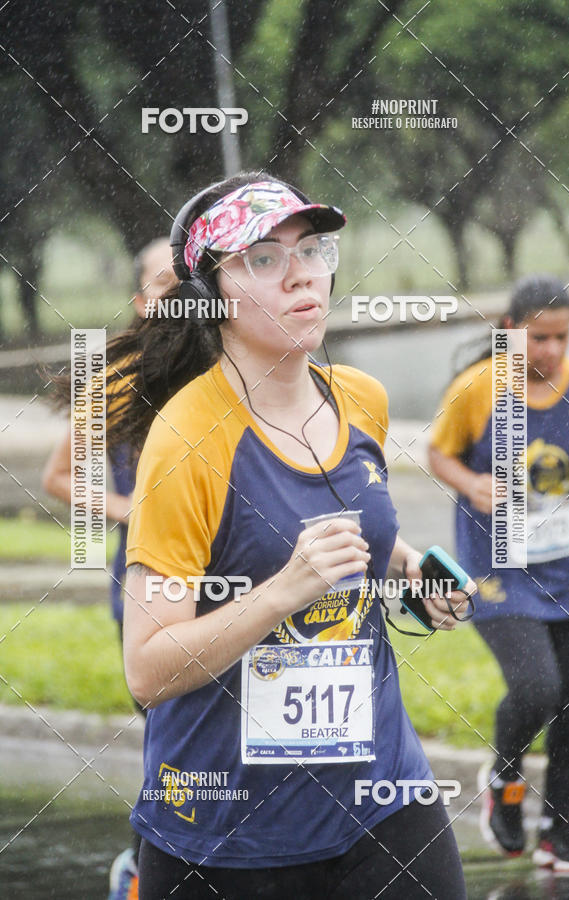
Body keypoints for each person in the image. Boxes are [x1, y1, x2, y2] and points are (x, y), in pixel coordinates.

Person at [111, 173, 476, 899]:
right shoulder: (188, 439)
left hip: (381, 794)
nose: (302, 273)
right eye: (264, 259)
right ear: (214, 293)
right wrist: (284, 592)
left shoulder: (360, 400)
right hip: (228, 825)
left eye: (311, 249)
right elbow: (148, 670)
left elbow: (364, 545)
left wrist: (414, 575)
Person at [428, 275, 569, 873]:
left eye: (560, 337)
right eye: (537, 337)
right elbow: (437, 453)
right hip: (499, 569)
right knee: (536, 688)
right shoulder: (478, 388)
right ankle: (504, 783)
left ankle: (559, 830)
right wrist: (471, 482)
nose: (550, 350)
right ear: (509, 332)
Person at [43, 236, 175, 900]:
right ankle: (142, 872)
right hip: (149, 587)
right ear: (140, 299)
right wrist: (132, 510)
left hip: (232, 592)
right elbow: (61, 476)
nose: (177, 295)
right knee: (176, 745)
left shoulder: (232, 370)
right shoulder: (119, 380)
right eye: (163, 284)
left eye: (188, 283)